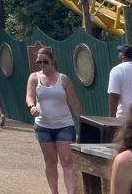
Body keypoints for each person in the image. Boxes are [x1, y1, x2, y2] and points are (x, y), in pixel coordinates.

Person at [27, 46, 84, 194]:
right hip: (43, 125)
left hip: (64, 125)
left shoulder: (63, 79)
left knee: (67, 161)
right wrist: (32, 106)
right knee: (50, 161)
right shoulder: (34, 77)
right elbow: (29, 96)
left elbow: (74, 101)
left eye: (45, 62)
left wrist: (83, 121)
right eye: (39, 62)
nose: (42, 65)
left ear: (53, 61)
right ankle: (54, 192)